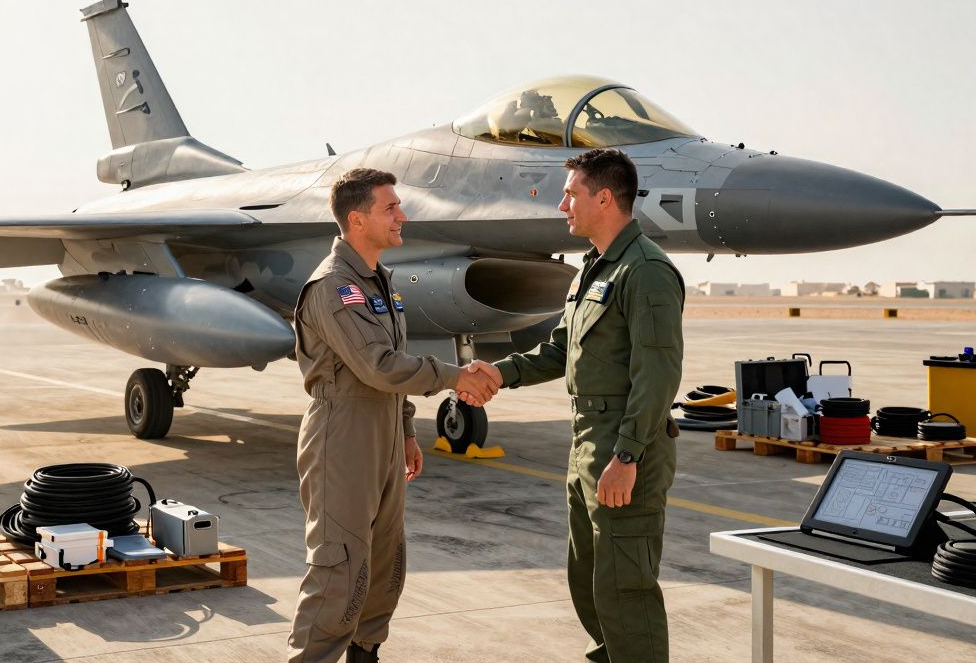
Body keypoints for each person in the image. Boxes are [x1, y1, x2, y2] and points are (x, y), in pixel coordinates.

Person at [471, 148, 684, 663]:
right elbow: (561, 350)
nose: (562, 203)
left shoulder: (646, 271)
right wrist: (500, 372)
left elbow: (657, 374)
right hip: (588, 441)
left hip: (622, 446)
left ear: (605, 197)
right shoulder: (593, 268)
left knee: (626, 590)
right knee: (589, 580)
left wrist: (627, 456)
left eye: (571, 193)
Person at [288, 167, 499, 663]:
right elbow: (378, 366)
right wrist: (455, 376)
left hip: (382, 428)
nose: (402, 214)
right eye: (391, 207)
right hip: (342, 434)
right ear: (357, 219)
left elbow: (390, 365)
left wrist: (405, 431)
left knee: (384, 564)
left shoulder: (379, 283)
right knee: (339, 568)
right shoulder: (333, 287)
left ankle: (366, 653)